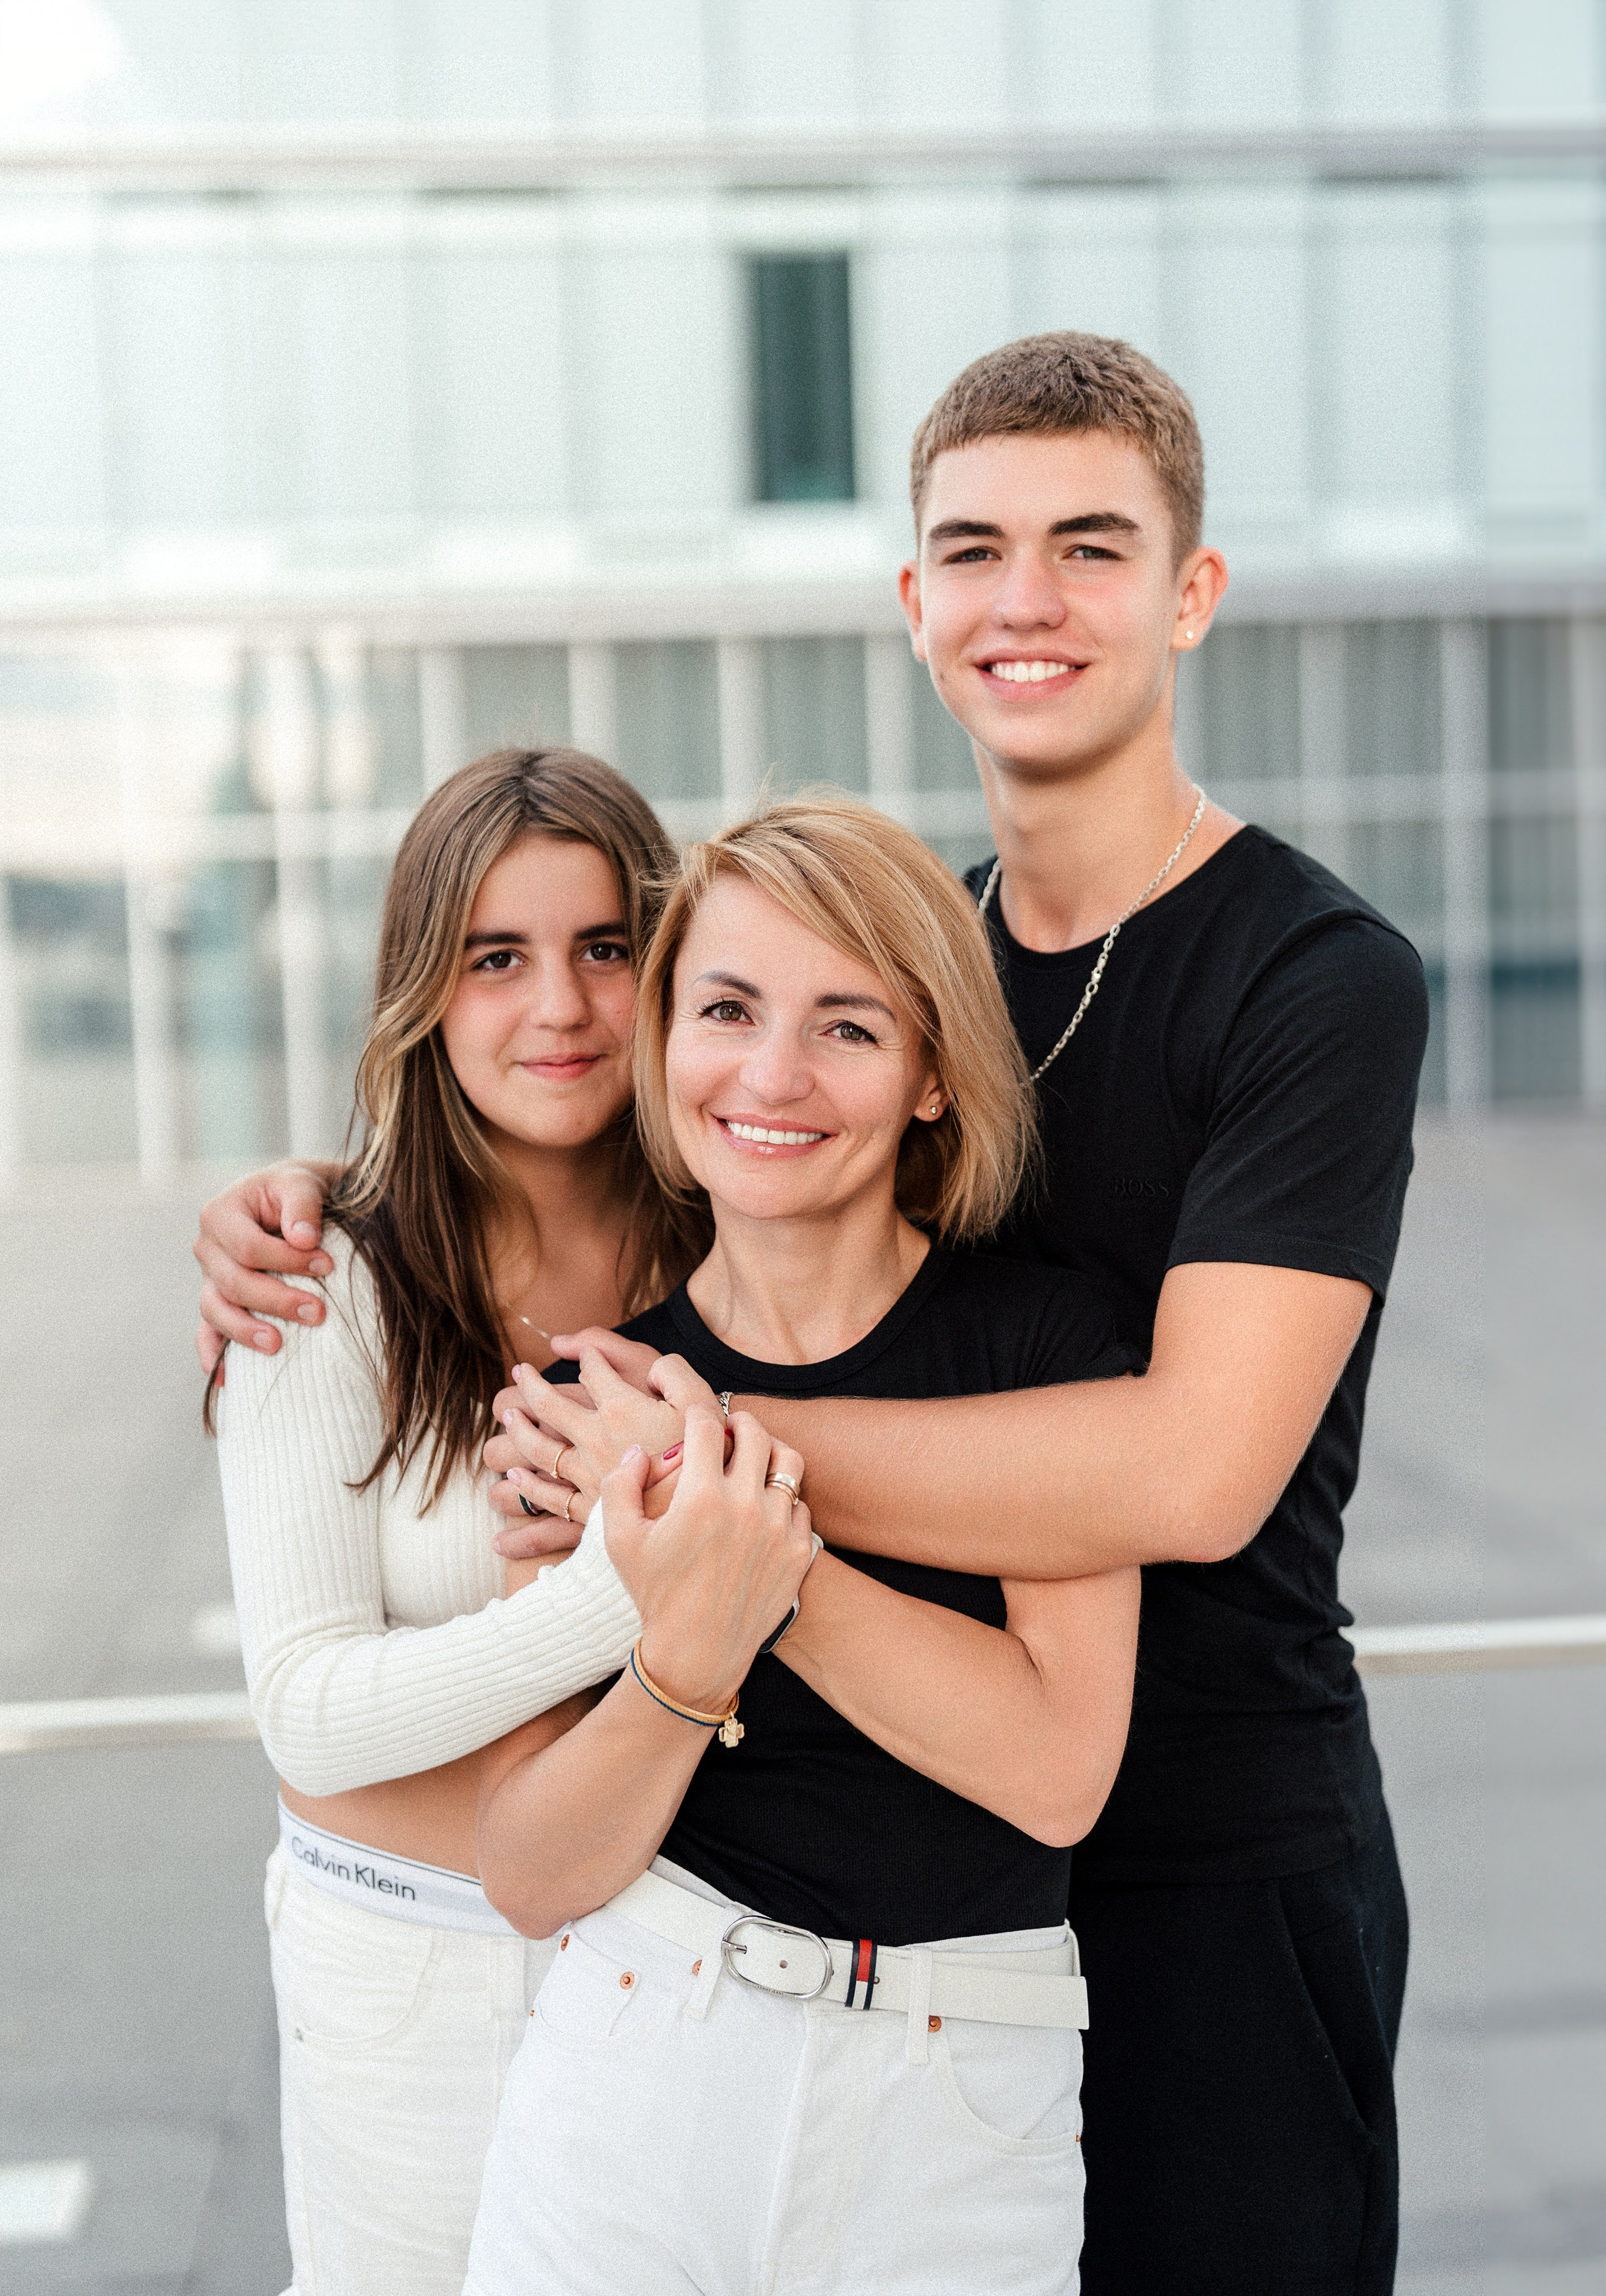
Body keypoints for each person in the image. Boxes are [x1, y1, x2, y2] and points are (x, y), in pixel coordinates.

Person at [198, 334, 1428, 2296]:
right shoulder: (879, 955)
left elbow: (1193, 1473)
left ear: (1192, 592)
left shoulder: (1314, 977)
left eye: (1091, 546)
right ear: (917, 606)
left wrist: (688, 1487)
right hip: (769, 1961)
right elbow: (598, 1124)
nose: (1027, 598)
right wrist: (309, 1209)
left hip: (1207, 1852)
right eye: (976, 549)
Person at [460, 795, 1141, 2296]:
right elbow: (525, 1866)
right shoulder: (586, 1403)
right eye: (724, 1009)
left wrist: (735, 1531)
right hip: (636, 2069)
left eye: (845, 1026)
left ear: (930, 1077)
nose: (770, 1073)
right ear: (661, 1051)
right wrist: (686, 1655)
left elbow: (1055, 1769)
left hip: (955, 2099)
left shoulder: (1047, 1349)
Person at [211, 747, 706, 2296]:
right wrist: (617, 1594)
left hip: (690, 1960)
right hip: (409, 1978)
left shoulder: (745, 1252)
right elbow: (307, 1712)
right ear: (424, 986)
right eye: (497, 957)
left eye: (602, 950)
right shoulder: (320, 1277)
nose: (555, 1007)